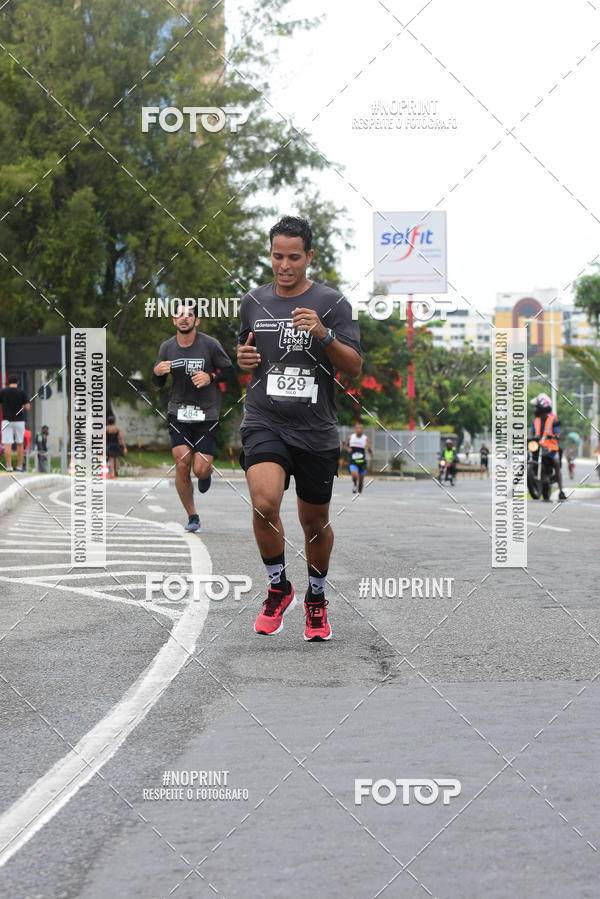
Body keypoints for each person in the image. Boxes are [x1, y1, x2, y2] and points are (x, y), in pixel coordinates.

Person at [237, 215, 361, 642]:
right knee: (264, 503)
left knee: (315, 522)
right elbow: (246, 352)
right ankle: (278, 588)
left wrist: (324, 334)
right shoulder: (253, 302)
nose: (284, 265)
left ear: (309, 256)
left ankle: (316, 597)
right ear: (270, 255)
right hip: (264, 419)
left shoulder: (333, 303)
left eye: (293, 257)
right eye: (277, 256)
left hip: (315, 429)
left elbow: (354, 367)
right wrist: (242, 360)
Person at [153, 300, 234, 532]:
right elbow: (157, 384)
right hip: (178, 411)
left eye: (189, 315)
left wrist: (211, 377)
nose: (184, 318)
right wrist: (156, 373)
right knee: (182, 463)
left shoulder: (210, 345)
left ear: (196, 320)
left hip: (207, 413)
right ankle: (193, 516)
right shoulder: (167, 347)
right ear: (174, 320)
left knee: (199, 469)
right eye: (179, 314)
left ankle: (206, 474)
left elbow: (229, 371)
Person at [529, 392, 566, 501]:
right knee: (525, 461)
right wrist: (528, 438)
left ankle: (561, 491)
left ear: (543, 408)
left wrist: (556, 436)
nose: (535, 410)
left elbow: (557, 433)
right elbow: (531, 433)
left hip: (551, 449)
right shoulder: (535, 421)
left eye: (537, 407)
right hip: (538, 447)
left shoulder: (553, 419)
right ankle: (513, 488)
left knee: (556, 463)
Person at [0, 376, 30, 472]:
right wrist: (22, 406)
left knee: (7, 444)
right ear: (18, 382)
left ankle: (9, 467)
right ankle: (19, 467)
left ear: (8, 382)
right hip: (19, 421)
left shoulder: (3, 392)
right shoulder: (22, 392)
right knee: (20, 443)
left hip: (6, 421)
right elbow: (27, 407)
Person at [345, 421, 372, 494]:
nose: (359, 429)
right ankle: (354, 484)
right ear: (355, 429)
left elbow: (369, 450)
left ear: (363, 430)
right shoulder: (351, 437)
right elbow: (346, 446)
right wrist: (348, 449)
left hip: (362, 462)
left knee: (361, 481)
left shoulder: (365, 438)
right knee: (355, 475)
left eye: (361, 428)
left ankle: (359, 491)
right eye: (358, 428)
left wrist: (369, 449)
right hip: (353, 461)